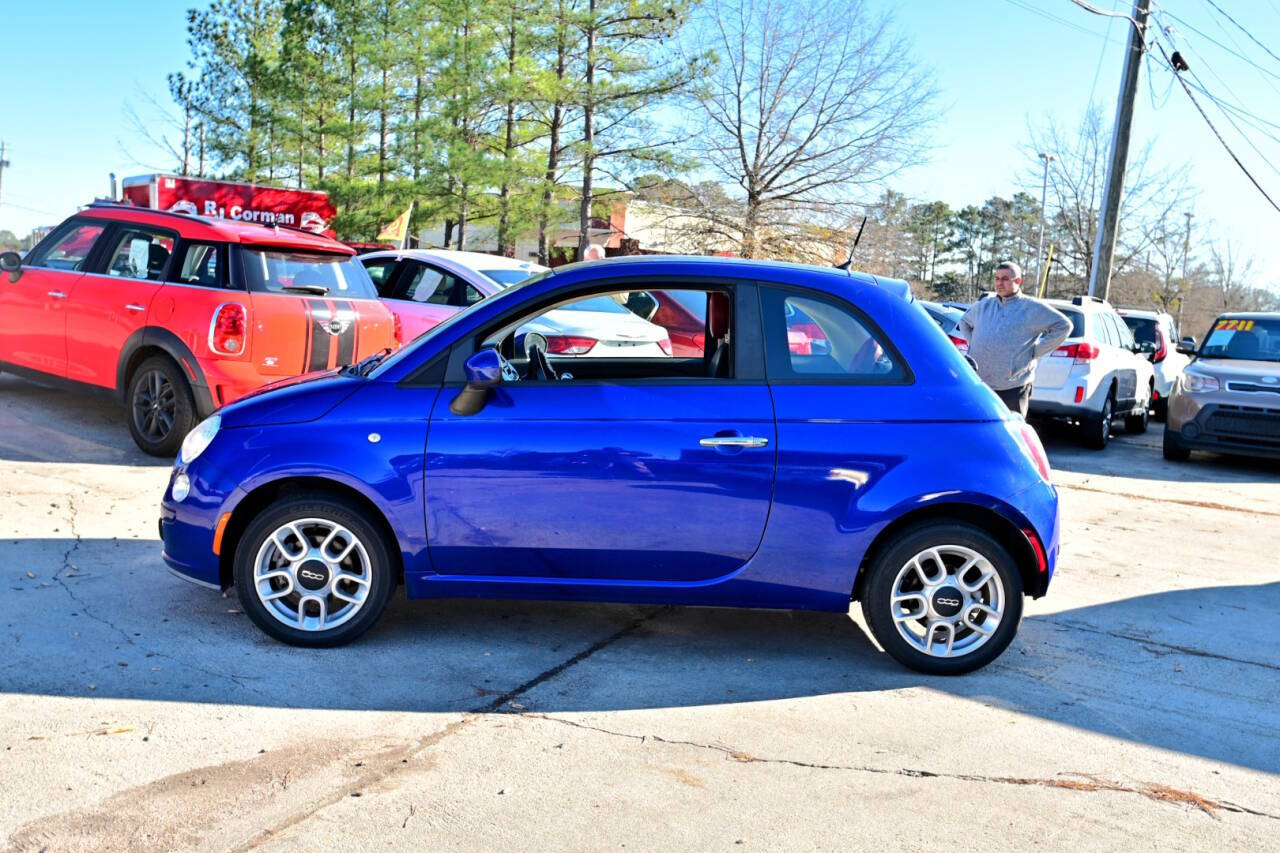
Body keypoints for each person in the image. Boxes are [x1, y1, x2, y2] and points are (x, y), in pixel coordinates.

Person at [957, 261, 1071, 417]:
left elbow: (1064, 325)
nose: (999, 283)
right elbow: (964, 321)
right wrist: (974, 342)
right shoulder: (984, 305)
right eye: (997, 278)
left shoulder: (1032, 308)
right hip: (980, 383)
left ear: (1018, 281)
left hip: (1012, 387)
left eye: (1005, 279)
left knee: (1010, 431)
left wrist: (1035, 352)